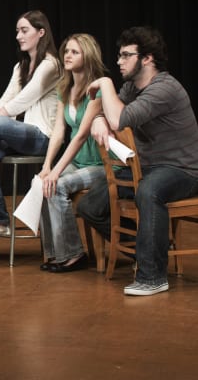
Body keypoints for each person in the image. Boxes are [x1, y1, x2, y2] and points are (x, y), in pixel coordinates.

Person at [78, 26, 198, 296]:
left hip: (183, 171)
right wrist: (98, 119)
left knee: (149, 191)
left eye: (125, 55)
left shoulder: (164, 88)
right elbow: (109, 111)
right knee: (90, 205)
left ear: (147, 58)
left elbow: (119, 119)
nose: (119, 62)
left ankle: (153, 276)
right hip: (146, 169)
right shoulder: (132, 87)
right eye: (119, 56)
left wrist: (106, 84)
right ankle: (154, 246)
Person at [0, 10, 62, 240]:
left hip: (41, 137)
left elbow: (20, 102)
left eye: (24, 30)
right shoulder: (20, 67)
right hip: (18, 136)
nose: (18, 36)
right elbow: (4, 99)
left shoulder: (51, 65)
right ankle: (0, 220)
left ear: (41, 33)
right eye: (17, 31)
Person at [37, 34, 107, 273]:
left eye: (74, 52)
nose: (67, 55)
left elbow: (80, 136)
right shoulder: (64, 88)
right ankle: (55, 253)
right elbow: (59, 132)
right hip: (78, 161)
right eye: (66, 51)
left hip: (101, 165)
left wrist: (57, 172)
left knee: (57, 185)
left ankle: (74, 254)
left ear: (88, 55)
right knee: (41, 183)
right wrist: (48, 166)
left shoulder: (97, 88)